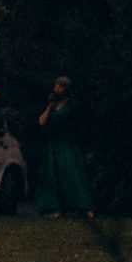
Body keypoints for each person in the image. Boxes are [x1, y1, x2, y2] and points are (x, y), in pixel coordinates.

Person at [34, 77, 95, 216]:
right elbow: (41, 122)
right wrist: (50, 106)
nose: (57, 89)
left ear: (66, 89)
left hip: (68, 144)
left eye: (60, 86)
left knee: (74, 173)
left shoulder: (73, 105)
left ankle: (85, 206)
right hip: (54, 144)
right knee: (55, 175)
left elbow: (79, 124)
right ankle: (57, 207)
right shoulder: (52, 106)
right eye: (56, 86)